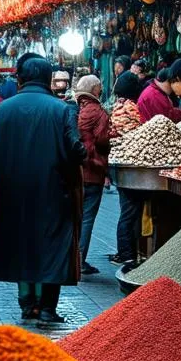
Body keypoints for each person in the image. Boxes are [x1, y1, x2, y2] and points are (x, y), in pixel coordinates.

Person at [0, 57, 86, 323]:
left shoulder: (4, 110)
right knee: (51, 245)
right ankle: (46, 307)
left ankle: (26, 304)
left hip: (14, 193)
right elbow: (76, 150)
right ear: (48, 79)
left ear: (20, 78)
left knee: (21, 245)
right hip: (54, 191)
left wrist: (8, 173)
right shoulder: (62, 109)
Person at [75, 75, 111, 276]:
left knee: (76, 216)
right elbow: (102, 141)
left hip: (76, 170)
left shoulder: (75, 110)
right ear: (96, 91)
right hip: (93, 170)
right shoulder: (98, 113)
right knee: (87, 217)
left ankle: (72, 259)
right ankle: (79, 261)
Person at [108, 71, 143, 266]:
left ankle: (126, 251)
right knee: (129, 211)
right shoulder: (130, 107)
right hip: (129, 161)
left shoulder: (117, 106)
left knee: (126, 209)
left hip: (118, 161)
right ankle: (126, 253)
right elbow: (140, 128)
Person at [137, 58, 181, 123]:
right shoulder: (155, 95)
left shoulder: (156, 90)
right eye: (172, 82)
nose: (173, 86)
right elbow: (168, 116)